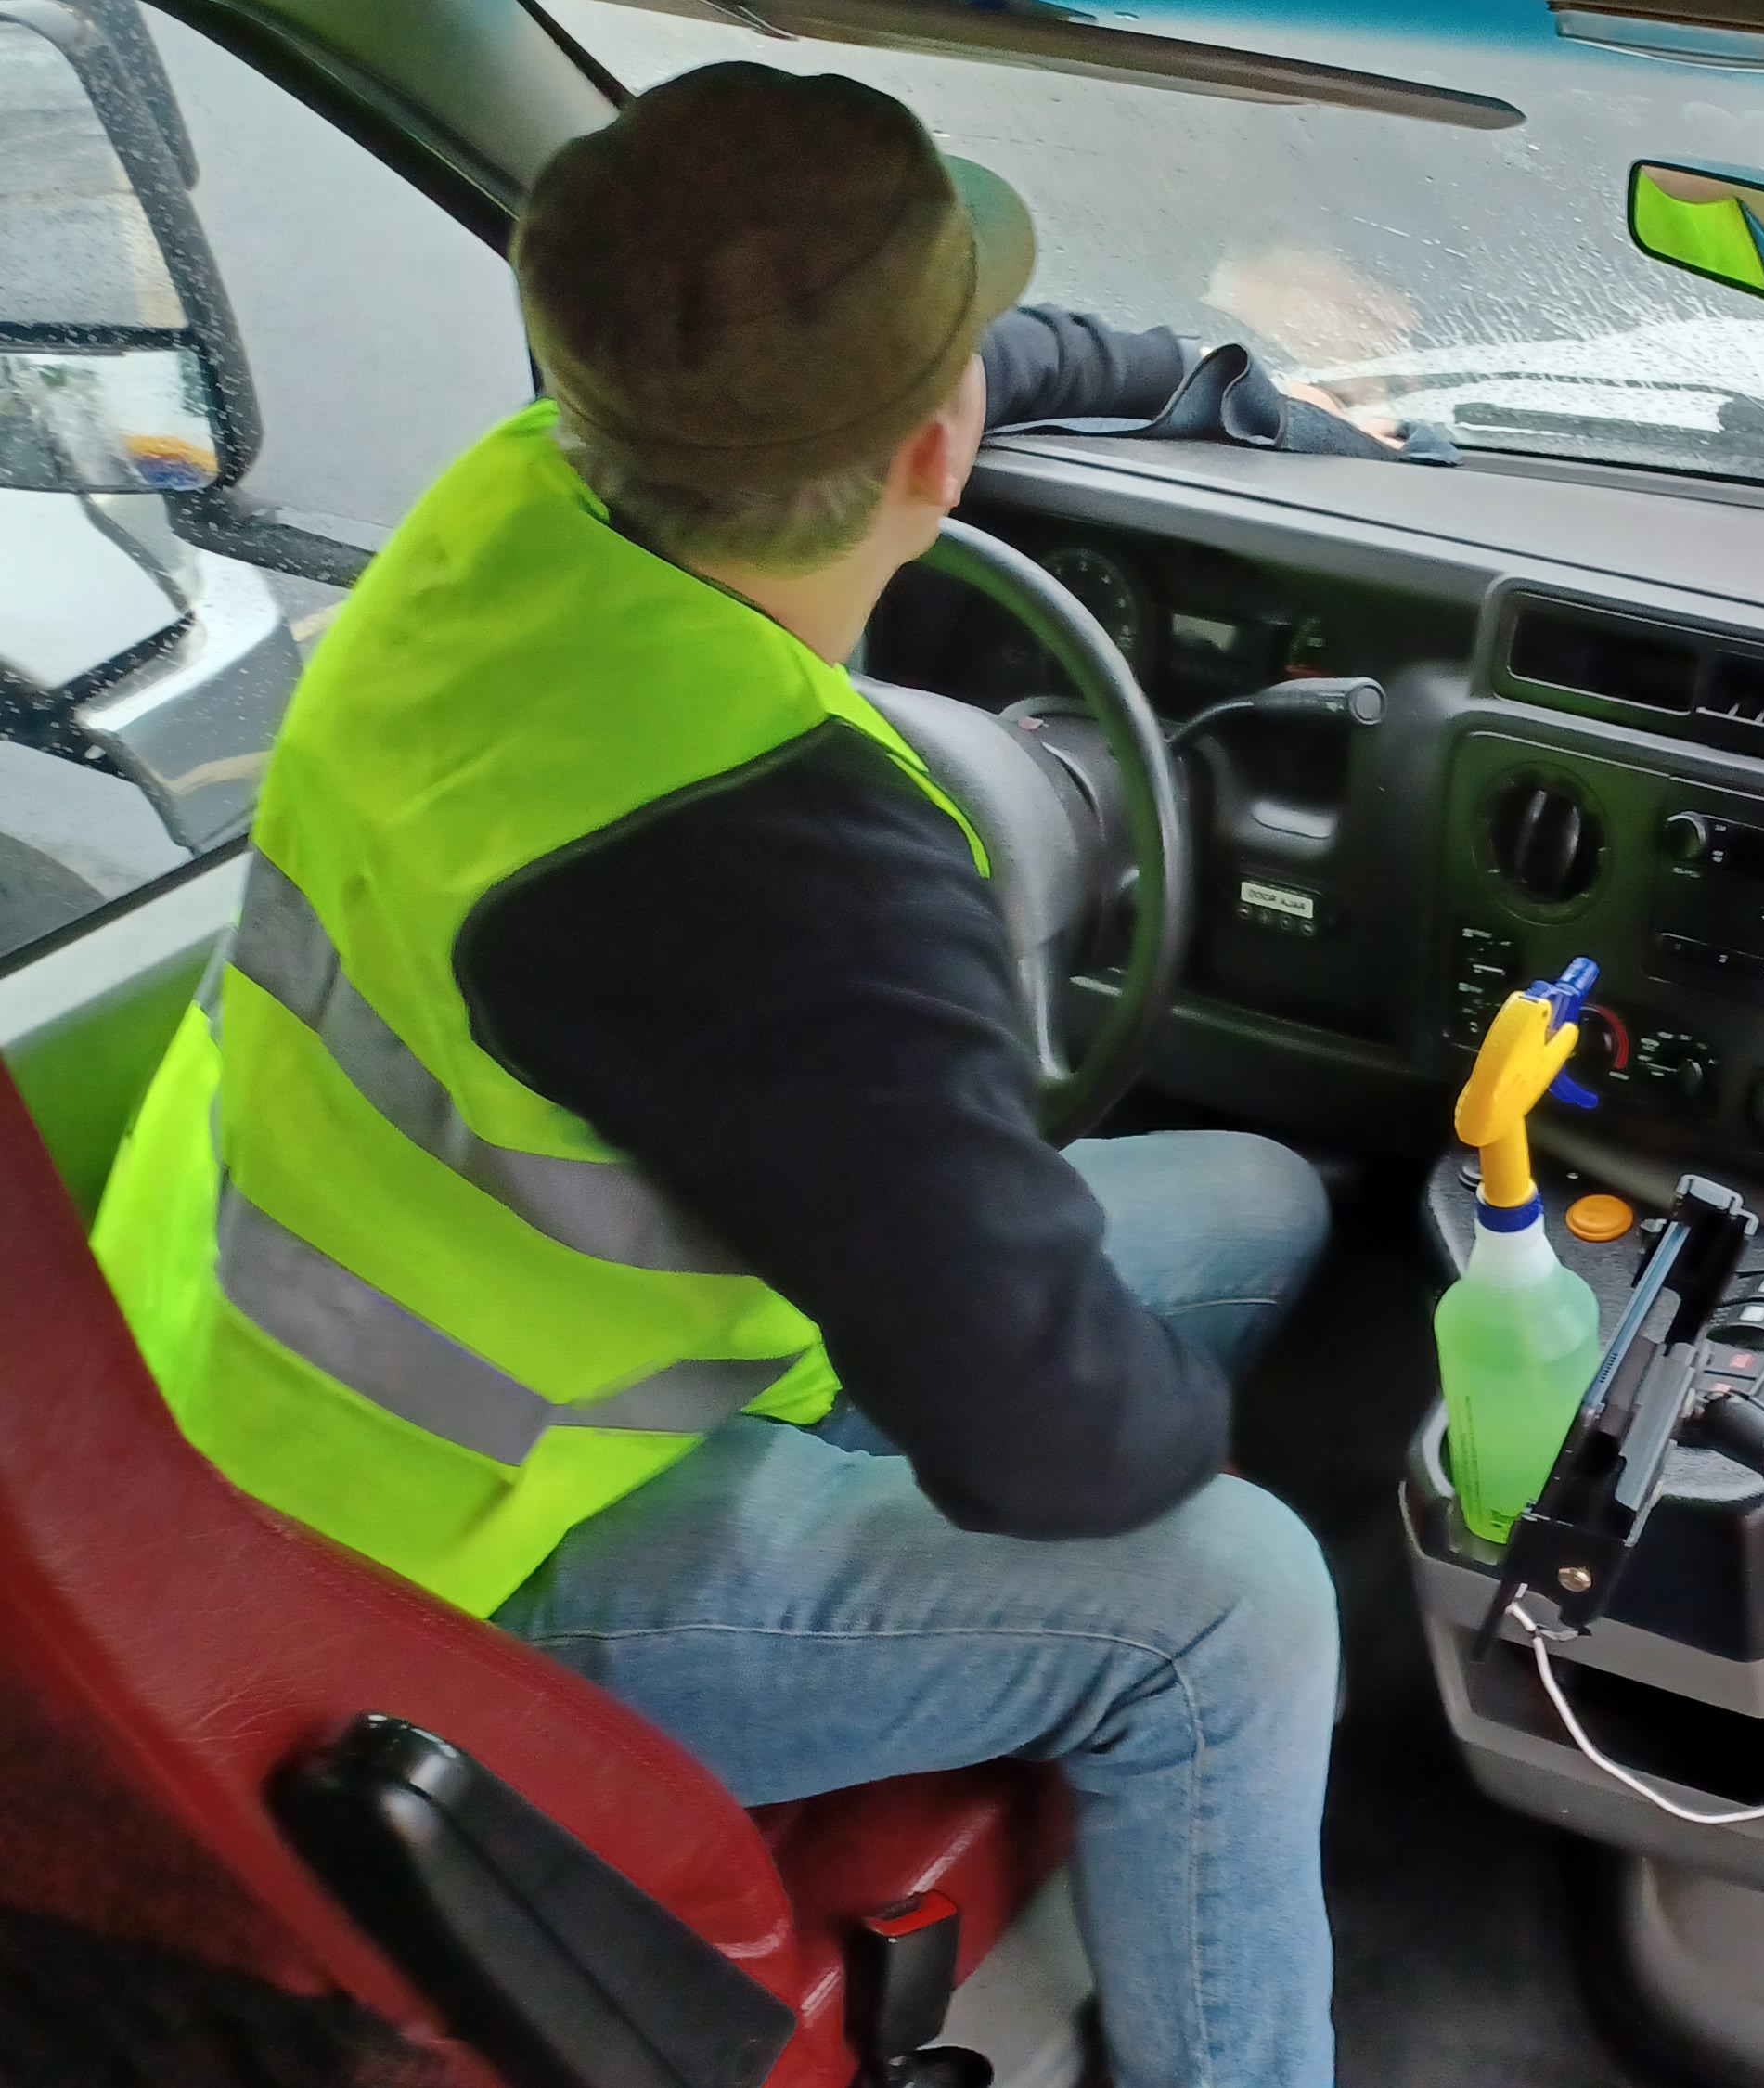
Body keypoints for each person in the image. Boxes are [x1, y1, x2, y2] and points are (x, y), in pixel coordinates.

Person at [92, 63, 1341, 2088]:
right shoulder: (783, 860)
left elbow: (955, 377)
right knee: (1243, 1602)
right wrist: (1270, 1463)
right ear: (932, 452)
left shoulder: (518, 500)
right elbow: (1061, 1458)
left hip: (269, 1373)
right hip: (447, 1574)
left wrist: (1185, 381)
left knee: (1260, 1203)